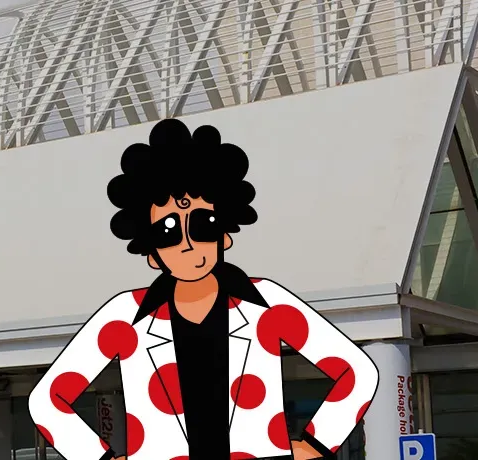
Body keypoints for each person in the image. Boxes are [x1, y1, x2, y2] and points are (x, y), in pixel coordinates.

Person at [27, 119, 378, 460]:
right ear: (152, 254)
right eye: (167, 232)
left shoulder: (266, 303)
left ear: (224, 233)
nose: (187, 243)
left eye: (203, 224)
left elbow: (357, 372)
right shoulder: (125, 316)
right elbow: (48, 400)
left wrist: (315, 445)